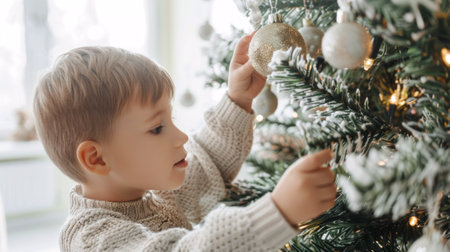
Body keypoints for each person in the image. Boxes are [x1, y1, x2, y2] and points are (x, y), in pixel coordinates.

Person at [33, 32, 336, 251]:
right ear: (97, 159)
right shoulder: (90, 237)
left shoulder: (155, 193)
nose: (181, 137)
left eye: (171, 120)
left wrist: (238, 99)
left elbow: (208, 161)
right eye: (156, 128)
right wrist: (276, 212)